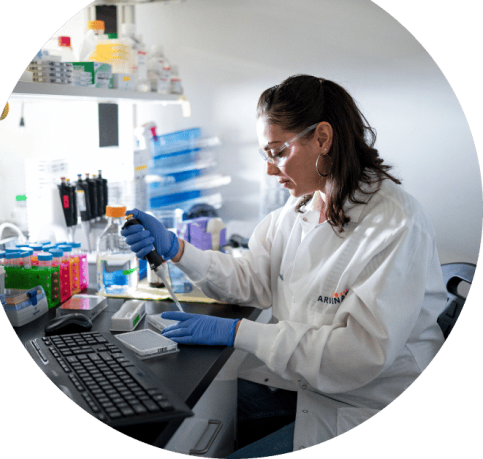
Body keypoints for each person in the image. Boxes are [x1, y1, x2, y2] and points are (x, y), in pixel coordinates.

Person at [121, 75, 448, 455]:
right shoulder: (302, 207)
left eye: (277, 152)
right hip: (304, 388)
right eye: (266, 156)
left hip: (362, 405)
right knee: (173, 417)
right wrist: (177, 249)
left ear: (322, 139)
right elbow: (252, 280)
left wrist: (237, 333)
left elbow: (358, 354)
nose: (269, 170)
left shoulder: (394, 223)